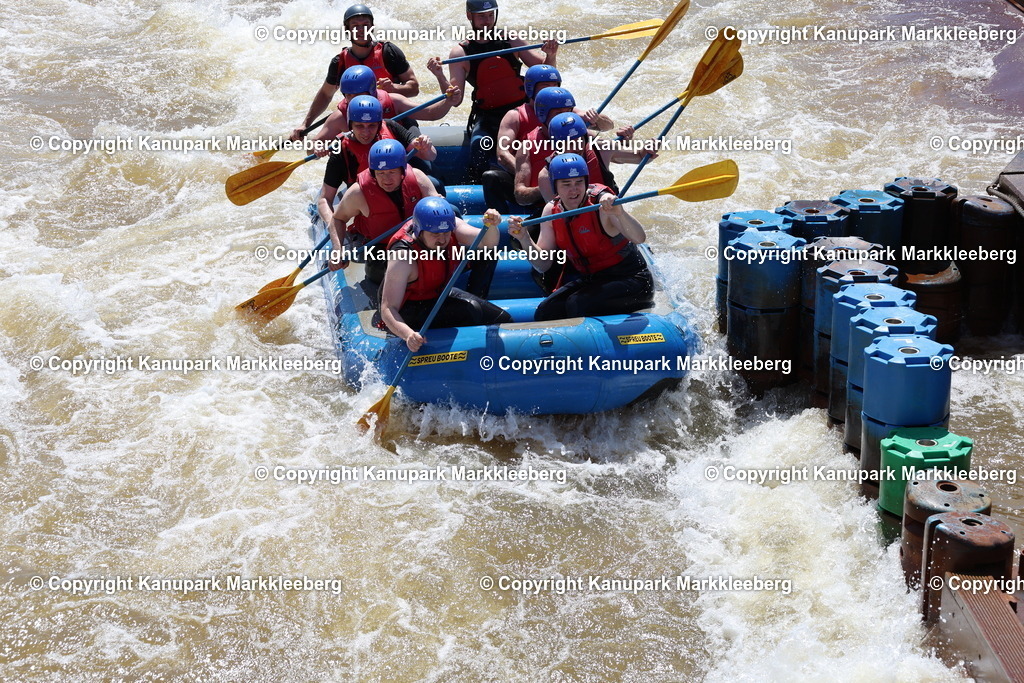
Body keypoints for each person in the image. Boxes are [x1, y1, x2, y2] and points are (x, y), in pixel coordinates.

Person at [507, 153, 654, 321]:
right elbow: (543, 265)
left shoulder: (601, 203)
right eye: (566, 184)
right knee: (546, 311)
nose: (574, 190)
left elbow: (639, 238)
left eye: (579, 182)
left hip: (632, 279)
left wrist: (620, 214)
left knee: (578, 304)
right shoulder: (551, 210)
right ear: (555, 186)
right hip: (595, 279)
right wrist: (524, 239)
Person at [444, 0, 557, 181]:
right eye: (481, 17)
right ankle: (479, 187)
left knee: (537, 142)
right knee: (480, 146)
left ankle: (543, 179)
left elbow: (546, 73)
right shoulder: (461, 52)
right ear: (469, 16)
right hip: (488, 116)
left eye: (490, 15)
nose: (487, 21)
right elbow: (456, 99)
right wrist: (441, 78)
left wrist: (551, 55)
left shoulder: (511, 39)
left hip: (520, 112)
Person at [380, 199, 512, 351]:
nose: (442, 239)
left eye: (446, 233)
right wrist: (408, 334)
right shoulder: (403, 258)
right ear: (419, 231)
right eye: (435, 234)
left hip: (436, 293)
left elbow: (488, 243)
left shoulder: (450, 225)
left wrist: (491, 226)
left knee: (503, 319)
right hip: (410, 307)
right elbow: (388, 309)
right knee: (472, 311)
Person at [486, 65, 612, 214]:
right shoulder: (516, 116)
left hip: (575, 186)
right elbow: (502, 154)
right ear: (531, 89)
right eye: (544, 87)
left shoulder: (568, 114)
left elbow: (607, 127)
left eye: (554, 86)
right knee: (491, 177)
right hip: (535, 174)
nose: (549, 91)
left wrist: (595, 117)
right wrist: (544, 180)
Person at [290, 4, 418, 141]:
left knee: (421, 159)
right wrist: (305, 124)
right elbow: (325, 95)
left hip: (397, 118)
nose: (361, 30)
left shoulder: (389, 52)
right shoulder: (340, 62)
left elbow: (414, 87)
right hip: (361, 127)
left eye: (365, 25)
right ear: (348, 30)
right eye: (355, 25)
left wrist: (395, 88)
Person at [326, 139, 441, 287]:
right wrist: (337, 250)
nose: (386, 179)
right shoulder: (358, 193)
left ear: (402, 171)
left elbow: (437, 206)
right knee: (380, 269)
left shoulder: (417, 178)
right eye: (381, 173)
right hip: (380, 245)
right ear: (373, 173)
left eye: (392, 172)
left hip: (414, 240)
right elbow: (337, 219)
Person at [311, 96, 437, 224]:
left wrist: (426, 146)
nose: (366, 132)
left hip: (400, 189)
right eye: (359, 126)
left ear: (379, 124)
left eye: (371, 125)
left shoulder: (391, 127)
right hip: (366, 202)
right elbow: (325, 199)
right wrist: (332, 224)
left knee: (435, 184)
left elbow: (430, 156)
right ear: (350, 125)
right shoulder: (341, 151)